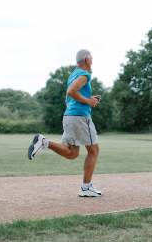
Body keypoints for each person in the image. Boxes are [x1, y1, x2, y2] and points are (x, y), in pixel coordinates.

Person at [28, 49, 102, 197]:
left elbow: (71, 94)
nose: (93, 60)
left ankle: (44, 142)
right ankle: (86, 188)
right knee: (94, 151)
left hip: (69, 116)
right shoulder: (84, 74)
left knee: (72, 153)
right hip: (80, 117)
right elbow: (71, 91)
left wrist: (88, 97)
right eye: (91, 58)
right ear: (87, 59)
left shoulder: (74, 74)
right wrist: (88, 101)